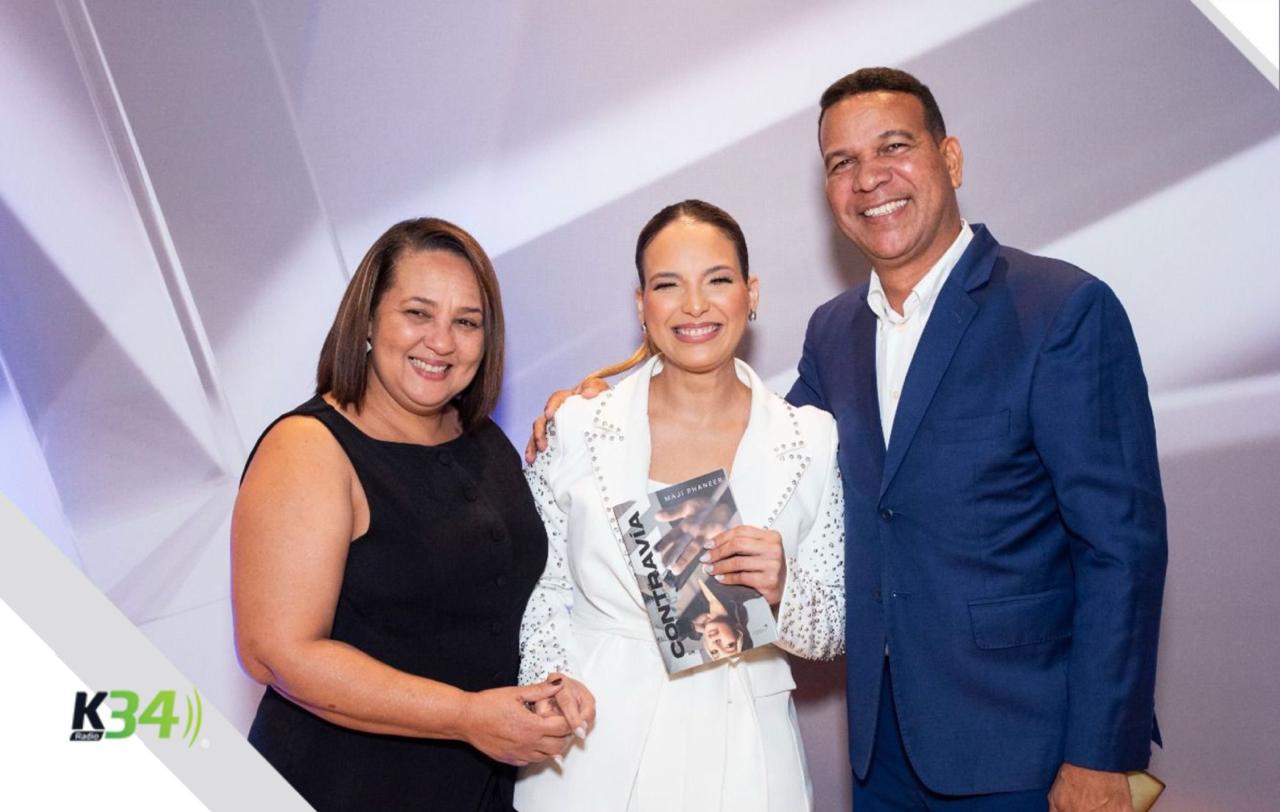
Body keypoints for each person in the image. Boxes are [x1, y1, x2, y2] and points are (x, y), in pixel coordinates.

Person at [530, 69, 1167, 811]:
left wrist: (1100, 754)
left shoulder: (1059, 309)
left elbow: (1122, 547)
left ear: (950, 158)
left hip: (1026, 747)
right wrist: (604, 396)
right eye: (843, 162)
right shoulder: (835, 333)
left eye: (893, 147)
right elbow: (751, 446)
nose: (869, 179)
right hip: (882, 751)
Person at [231, 217, 588, 812]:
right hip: (336, 787)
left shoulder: (481, 437)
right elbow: (276, 652)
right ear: (369, 322)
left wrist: (591, 423)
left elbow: (507, 599)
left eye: (466, 322)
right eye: (418, 313)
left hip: (477, 788)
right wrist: (465, 715)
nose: (441, 342)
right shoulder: (309, 447)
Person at [514, 200, 845, 812]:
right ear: (641, 305)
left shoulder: (810, 438)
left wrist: (784, 591)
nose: (695, 305)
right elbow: (544, 586)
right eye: (668, 285)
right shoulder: (578, 426)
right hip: (594, 742)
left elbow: (832, 630)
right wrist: (550, 683)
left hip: (744, 749)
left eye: (717, 280)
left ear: (750, 293)